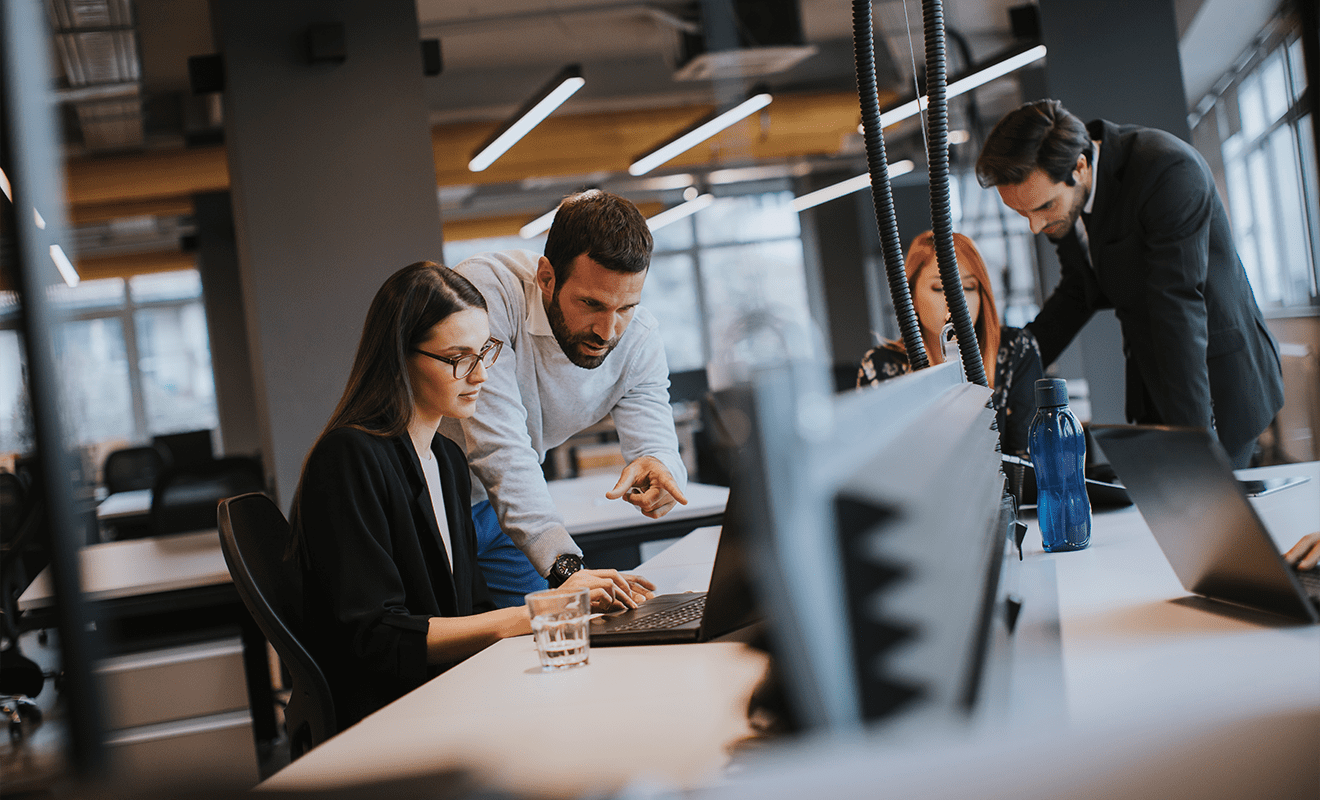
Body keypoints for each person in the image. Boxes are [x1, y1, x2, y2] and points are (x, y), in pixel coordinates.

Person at [290, 262, 655, 729]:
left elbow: (470, 610)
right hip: (396, 720)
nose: (481, 374)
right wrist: (536, 611)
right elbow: (377, 637)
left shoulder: (444, 459)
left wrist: (568, 607)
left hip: (452, 695)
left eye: (486, 351)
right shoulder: (347, 457)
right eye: (458, 357)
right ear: (400, 357)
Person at [975, 99, 1284, 469]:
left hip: (1213, 375)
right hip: (1154, 375)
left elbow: (1177, 310)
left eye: (1043, 208)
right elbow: (1080, 290)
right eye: (1022, 213)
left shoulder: (1166, 170)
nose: (1036, 227)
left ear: (1081, 166)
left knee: (1213, 512)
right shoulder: (1062, 201)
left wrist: (1195, 446)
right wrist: (1006, 360)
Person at [440, 190, 689, 607]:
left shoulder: (639, 338)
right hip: (427, 504)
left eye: (626, 306)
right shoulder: (487, 292)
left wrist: (662, 469)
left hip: (500, 511)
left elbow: (655, 439)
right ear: (546, 277)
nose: (608, 331)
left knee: (536, 634)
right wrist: (566, 568)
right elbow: (499, 446)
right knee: (435, 650)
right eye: (591, 303)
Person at [857, 230, 1043, 456]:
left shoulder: (1016, 349)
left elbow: (1027, 459)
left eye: (968, 287)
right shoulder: (879, 367)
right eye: (939, 288)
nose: (957, 301)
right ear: (911, 298)